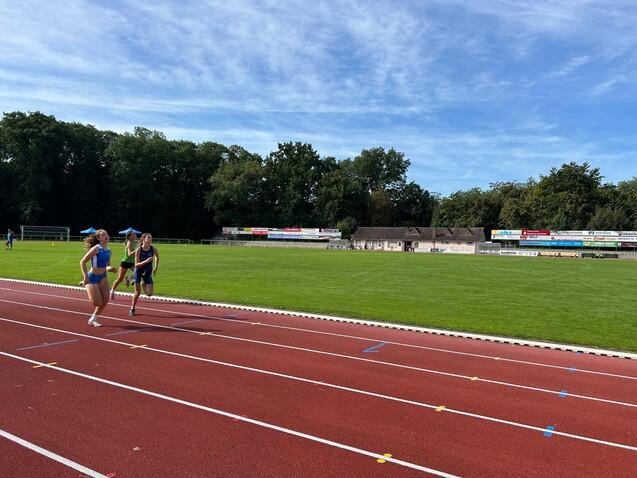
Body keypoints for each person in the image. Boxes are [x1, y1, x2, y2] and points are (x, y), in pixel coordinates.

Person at [79, 229, 116, 327]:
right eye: (103, 235)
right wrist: (85, 276)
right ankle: (85, 283)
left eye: (106, 234)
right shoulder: (96, 248)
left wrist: (110, 268)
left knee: (105, 300)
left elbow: (107, 265)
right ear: (99, 238)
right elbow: (82, 262)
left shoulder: (109, 251)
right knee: (97, 303)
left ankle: (93, 319)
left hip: (103, 276)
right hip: (92, 277)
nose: (106, 236)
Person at [129, 233, 160, 316]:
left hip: (148, 272)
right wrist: (146, 261)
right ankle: (132, 308)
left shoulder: (153, 248)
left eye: (151, 238)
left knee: (149, 294)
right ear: (144, 239)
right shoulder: (139, 250)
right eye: (148, 237)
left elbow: (157, 257)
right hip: (138, 272)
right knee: (137, 292)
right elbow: (136, 265)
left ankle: (142, 283)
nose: (150, 239)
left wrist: (155, 267)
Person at [109, 231, 138, 299]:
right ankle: (112, 291)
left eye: (135, 234)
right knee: (120, 279)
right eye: (133, 235)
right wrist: (137, 250)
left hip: (132, 262)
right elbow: (130, 254)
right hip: (125, 262)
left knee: (139, 273)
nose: (135, 235)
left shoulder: (135, 242)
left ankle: (129, 278)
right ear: (129, 237)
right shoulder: (129, 243)